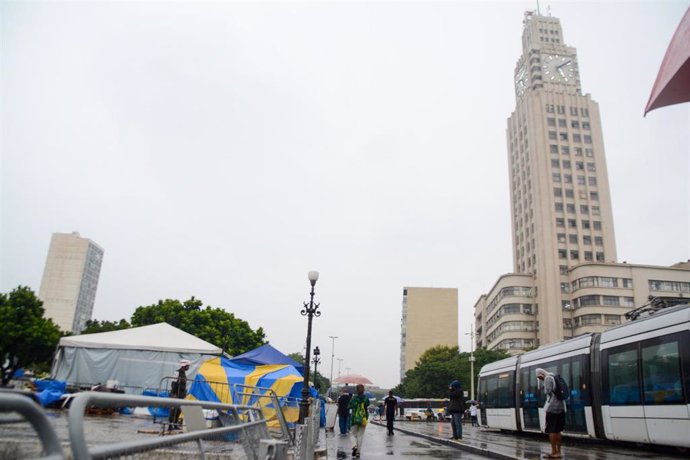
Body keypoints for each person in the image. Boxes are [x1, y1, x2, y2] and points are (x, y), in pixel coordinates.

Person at [536, 368, 565, 459]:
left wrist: (543, 386)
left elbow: (547, 391)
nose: (540, 379)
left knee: (551, 430)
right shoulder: (554, 377)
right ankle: (559, 452)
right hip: (561, 406)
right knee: (558, 430)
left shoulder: (548, 378)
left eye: (539, 377)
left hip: (552, 407)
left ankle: (554, 452)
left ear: (541, 374)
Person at [348, 384, 370, 458]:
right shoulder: (366, 398)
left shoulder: (354, 398)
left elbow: (349, 406)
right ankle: (358, 453)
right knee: (360, 436)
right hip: (363, 418)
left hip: (355, 418)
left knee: (352, 434)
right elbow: (367, 405)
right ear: (363, 390)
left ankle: (354, 446)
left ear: (356, 390)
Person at [168, 359, 191, 430]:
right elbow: (174, 383)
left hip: (181, 395)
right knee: (173, 410)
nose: (188, 367)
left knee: (178, 410)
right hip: (176, 394)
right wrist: (174, 394)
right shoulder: (177, 372)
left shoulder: (183, 373)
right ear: (185, 366)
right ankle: (170, 425)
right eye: (188, 366)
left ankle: (175, 424)